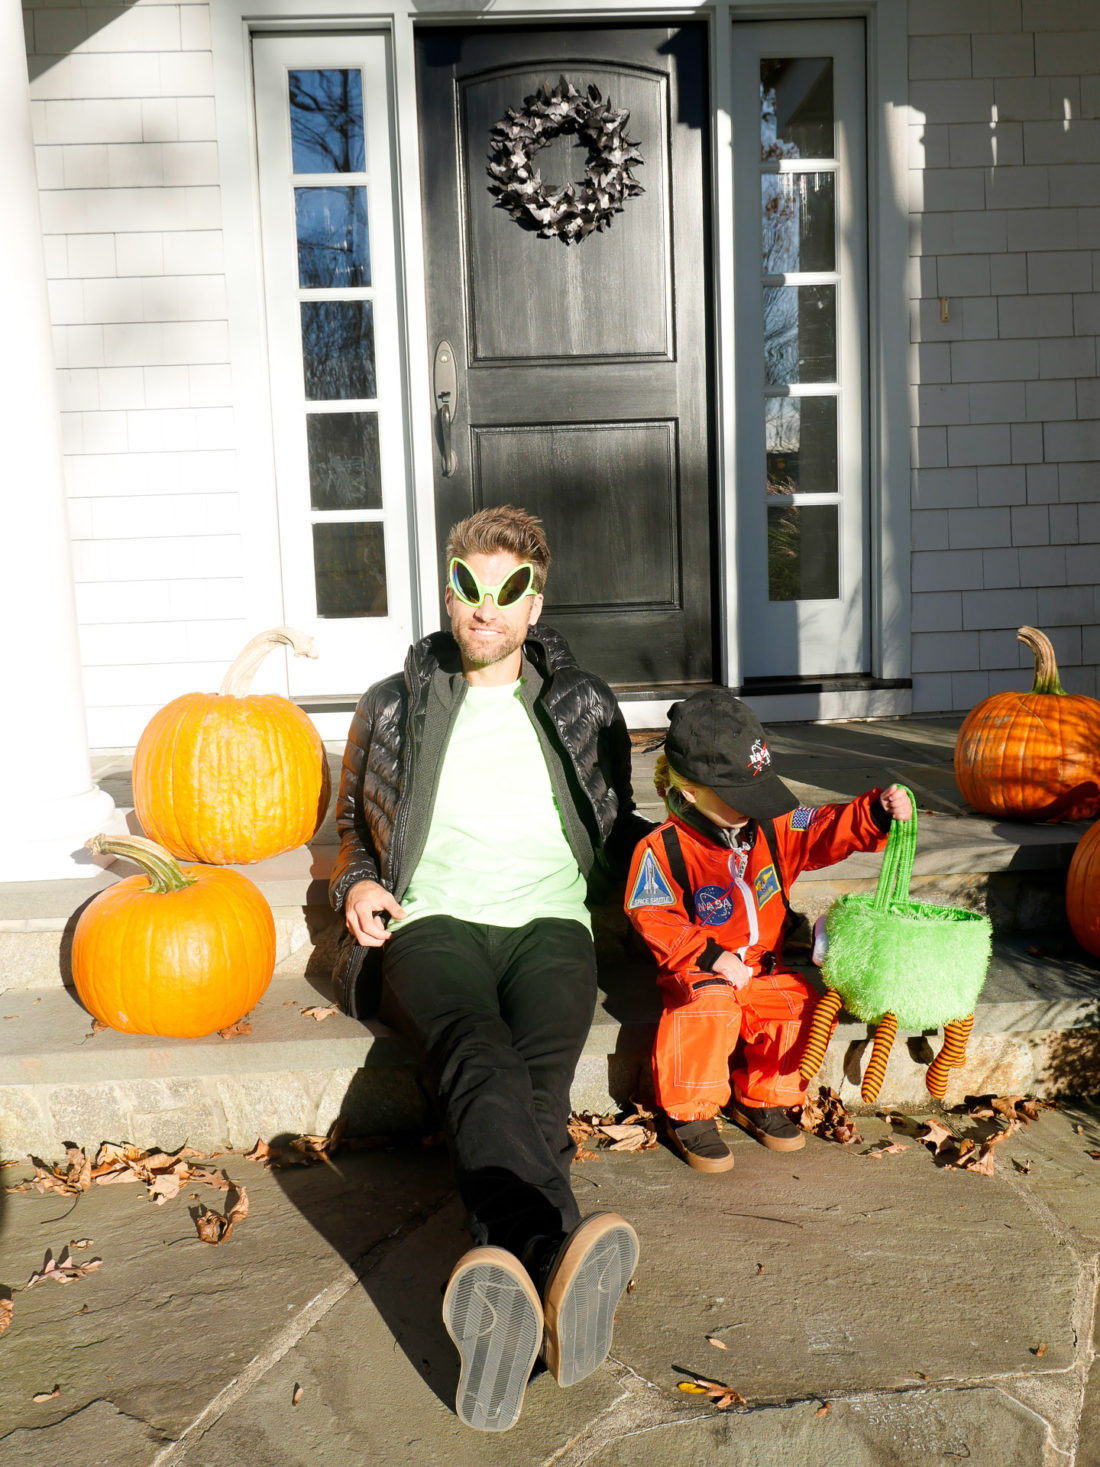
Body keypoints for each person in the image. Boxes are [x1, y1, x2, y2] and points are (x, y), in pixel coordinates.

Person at [329, 505, 646, 1432]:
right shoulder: (395, 701)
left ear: (534, 601)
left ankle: (509, 1293)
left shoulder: (583, 705)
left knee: (537, 1085)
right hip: (432, 923)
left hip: (550, 919)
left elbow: (618, 824)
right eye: (470, 585)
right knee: (476, 1050)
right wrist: (354, 883)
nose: (485, 607)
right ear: (450, 589)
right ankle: (550, 1266)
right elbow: (351, 821)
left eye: (508, 590)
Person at [624, 690, 912, 1173]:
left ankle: (761, 1097)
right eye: (741, 799)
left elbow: (820, 826)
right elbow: (653, 916)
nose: (754, 808)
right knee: (707, 1009)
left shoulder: (773, 826)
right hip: (699, 971)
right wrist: (710, 955)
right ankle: (690, 1114)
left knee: (795, 1003)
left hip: (761, 964)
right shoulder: (663, 849)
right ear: (691, 791)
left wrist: (874, 813)